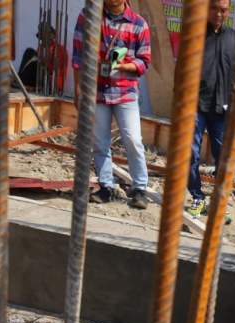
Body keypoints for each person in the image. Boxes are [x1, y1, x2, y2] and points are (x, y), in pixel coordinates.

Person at [73, 0, 152, 209]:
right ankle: (106, 186)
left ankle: (140, 188)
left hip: (125, 92)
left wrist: (128, 65)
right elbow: (78, 55)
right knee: (100, 142)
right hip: (97, 91)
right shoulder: (89, 17)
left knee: (133, 140)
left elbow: (145, 61)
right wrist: (78, 90)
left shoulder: (138, 24)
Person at [185, 0, 235, 216]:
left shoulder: (233, 39)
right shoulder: (195, 35)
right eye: (214, 8)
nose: (218, 13)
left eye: (223, 9)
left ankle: (220, 202)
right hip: (195, 106)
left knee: (223, 157)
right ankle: (197, 198)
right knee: (190, 153)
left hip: (222, 109)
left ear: (228, 11)